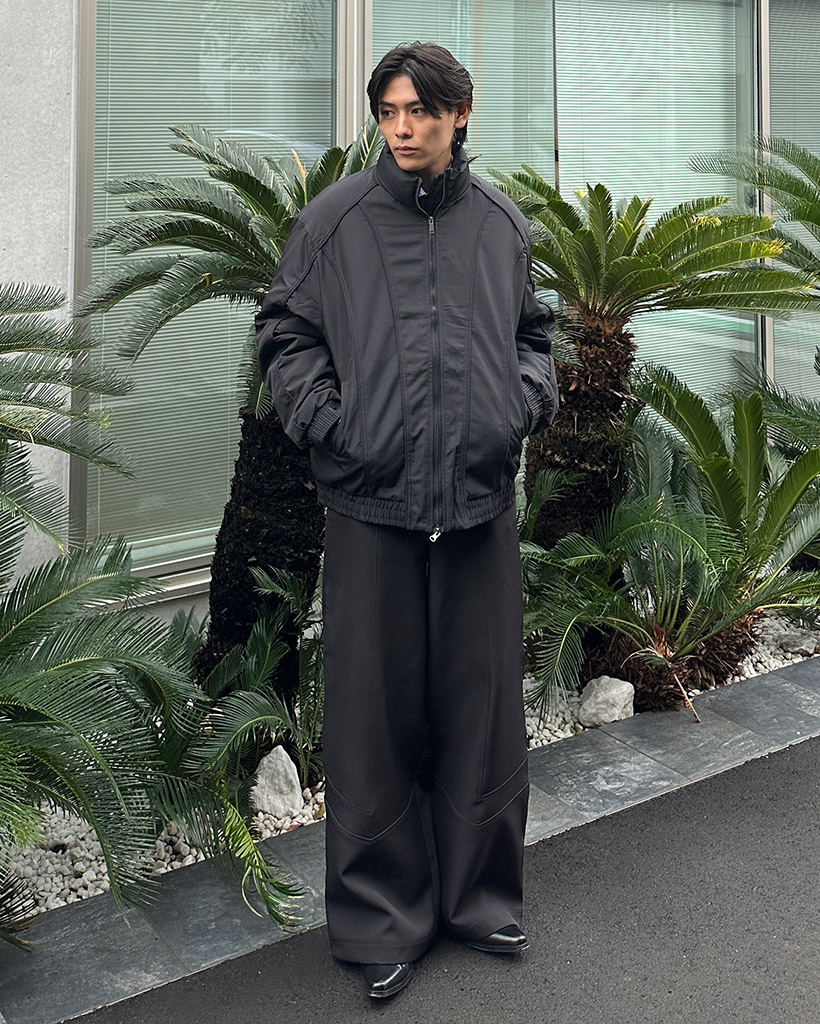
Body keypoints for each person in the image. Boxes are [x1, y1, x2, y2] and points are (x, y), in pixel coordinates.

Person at [256, 41, 558, 1000]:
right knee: (373, 719)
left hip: (477, 509)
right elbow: (284, 333)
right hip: (371, 510)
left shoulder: (501, 226)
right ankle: (380, 920)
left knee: (481, 709)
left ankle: (481, 899)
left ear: (460, 113)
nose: (402, 128)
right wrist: (331, 424)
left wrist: (515, 406)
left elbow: (535, 337)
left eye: (420, 111)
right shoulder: (333, 222)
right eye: (388, 111)